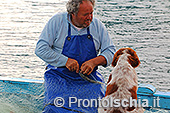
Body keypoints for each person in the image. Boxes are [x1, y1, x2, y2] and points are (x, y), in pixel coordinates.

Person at [35, 0, 116, 112]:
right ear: (73, 13)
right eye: (85, 15)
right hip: (58, 76)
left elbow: (111, 51)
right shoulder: (57, 21)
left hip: (88, 79)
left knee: (97, 108)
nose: (90, 17)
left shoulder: (97, 25)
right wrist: (65, 61)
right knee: (54, 108)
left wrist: (94, 62)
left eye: (91, 13)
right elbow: (41, 49)